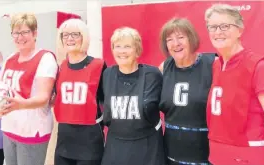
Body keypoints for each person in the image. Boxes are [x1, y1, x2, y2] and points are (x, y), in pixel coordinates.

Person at [0, 13, 58, 165]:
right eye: (16, 33)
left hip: (32, 130)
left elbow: (44, 98)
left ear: (35, 33)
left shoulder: (45, 58)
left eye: (24, 32)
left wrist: (20, 104)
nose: (20, 37)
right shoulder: (10, 58)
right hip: (9, 127)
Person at [205, 4, 264, 165]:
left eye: (225, 26)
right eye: (213, 27)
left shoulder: (257, 65)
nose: (218, 32)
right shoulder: (217, 65)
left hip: (247, 152)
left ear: (240, 30)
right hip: (218, 152)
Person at [101, 27, 165, 165]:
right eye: (117, 46)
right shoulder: (107, 74)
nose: (122, 51)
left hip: (148, 147)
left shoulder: (152, 75)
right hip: (116, 146)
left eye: (127, 46)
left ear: (137, 50)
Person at [158, 18, 215, 165]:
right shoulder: (164, 67)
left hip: (206, 154)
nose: (175, 44)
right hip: (172, 153)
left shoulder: (212, 64)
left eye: (181, 37)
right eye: (169, 39)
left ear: (192, 38)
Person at [53, 18, 107, 165]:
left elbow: (106, 102)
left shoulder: (98, 65)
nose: (69, 38)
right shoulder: (60, 67)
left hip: (89, 142)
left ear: (84, 37)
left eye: (75, 34)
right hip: (64, 141)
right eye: (65, 35)